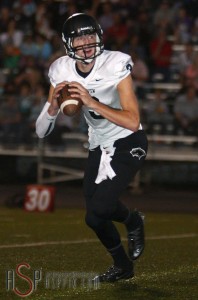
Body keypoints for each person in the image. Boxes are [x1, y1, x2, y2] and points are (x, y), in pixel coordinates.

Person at [35, 13, 148, 283]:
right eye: (79, 37)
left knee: (101, 206)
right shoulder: (60, 70)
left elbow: (133, 121)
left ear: (99, 37)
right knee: (94, 219)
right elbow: (41, 131)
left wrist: (91, 101)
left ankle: (133, 221)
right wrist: (52, 107)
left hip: (127, 141)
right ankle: (123, 266)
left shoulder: (115, 64)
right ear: (67, 43)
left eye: (90, 36)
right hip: (99, 144)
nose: (86, 43)